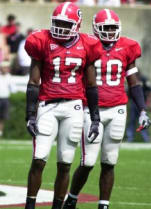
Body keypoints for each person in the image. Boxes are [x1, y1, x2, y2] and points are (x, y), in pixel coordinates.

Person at [62, 9, 151, 209]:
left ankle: (104, 204)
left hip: (118, 108)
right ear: (96, 28)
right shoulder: (86, 45)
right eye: (106, 28)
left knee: (110, 161)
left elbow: (134, 82)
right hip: (92, 111)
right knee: (88, 162)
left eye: (113, 28)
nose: (110, 32)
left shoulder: (128, 47)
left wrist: (143, 110)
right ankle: (72, 198)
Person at [23, 3, 102, 209]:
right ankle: (29, 206)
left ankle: (57, 207)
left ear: (76, 25)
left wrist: (95, 118)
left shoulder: (88, 44)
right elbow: (33, 82)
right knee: (39, 159)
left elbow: (92, 85)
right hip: (47, 106)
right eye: (57, 23)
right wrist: (30, 114)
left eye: (65, 24)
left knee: (65, 163)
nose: (60, 27)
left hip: (73, 108)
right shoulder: (41, 40)